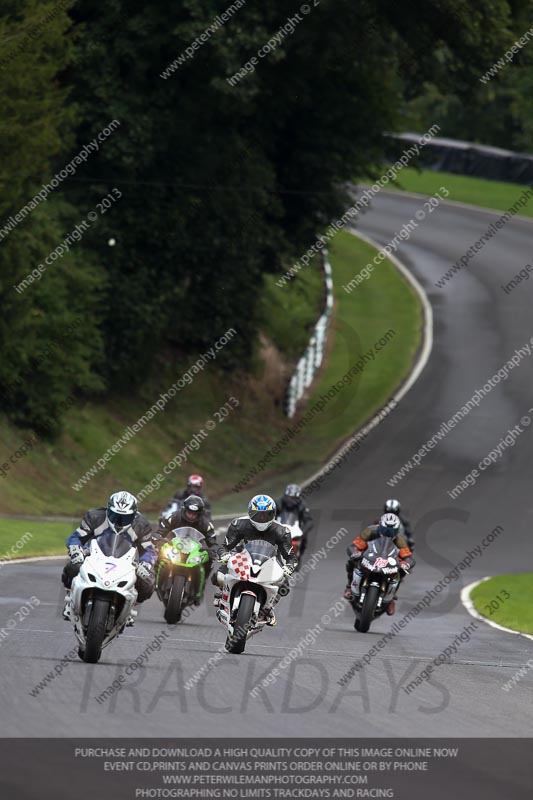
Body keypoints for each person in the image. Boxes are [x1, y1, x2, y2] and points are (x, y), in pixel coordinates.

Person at [61, 491, 156, 625]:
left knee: (148, 581)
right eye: (115, 515)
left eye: (125, 517)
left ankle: (130, 609)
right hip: (94, 556)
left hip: (125, 561)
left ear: (134, 515)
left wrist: (146, 564)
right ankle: (70, 597)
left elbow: (150, 550)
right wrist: (76, 550)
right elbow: (76, 537)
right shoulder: (95, 517)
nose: (119, 521)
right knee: (73, 565)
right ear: (108, 510)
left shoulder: (142, 525)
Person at [213, 494, 296, 626]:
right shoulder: (238, 524)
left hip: (271, 560)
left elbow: (290, 557)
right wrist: (224, 555)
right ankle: (223, 596)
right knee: (218, 576)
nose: (262, 518)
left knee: (285, 586)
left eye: (265, 515)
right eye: (258, 514)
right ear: (251, 513)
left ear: (273, 514)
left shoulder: (282, 531)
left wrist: (289, 567)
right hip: (242, 556)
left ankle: (268, 608)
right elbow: (225, 546)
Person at [344, 512, 415, 615]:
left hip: (387, 563)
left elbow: (408, 557)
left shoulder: (399, 539)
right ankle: (349, 587)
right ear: (380, 525)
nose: (388, 532)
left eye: (391, 531)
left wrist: (406, 564)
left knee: (401, 571)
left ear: (396, 530)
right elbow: (354, 545)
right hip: (369, 557)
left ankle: (391, 599)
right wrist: (355, 552)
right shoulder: (370, 531)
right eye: (385, 529)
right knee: (352, 561)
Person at [156, 495, 217, 600]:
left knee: (209, 559)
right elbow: (160, 531)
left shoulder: (206, 524)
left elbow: (213, 541)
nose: (191, 516)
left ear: (200, 514)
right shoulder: (173, 517)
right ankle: (155, 578)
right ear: (184, 509)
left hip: (194, 550)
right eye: (189, 513)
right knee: (159, 553)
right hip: (174, 546)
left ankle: (201, 586)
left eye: (194, 514)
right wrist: (158, 538)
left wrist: (213, 550)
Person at [275, 483, 313, 558]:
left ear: (298, 498)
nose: (290, 500)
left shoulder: (302, 506)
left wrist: (303, 531)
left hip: (295, 530)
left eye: (293, 498)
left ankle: (298, 555)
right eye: (288, 497)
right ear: (285, 496)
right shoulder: (278, 503)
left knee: (304, 539)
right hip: (279, 529)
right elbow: (270, 516)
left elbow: (309, 521)